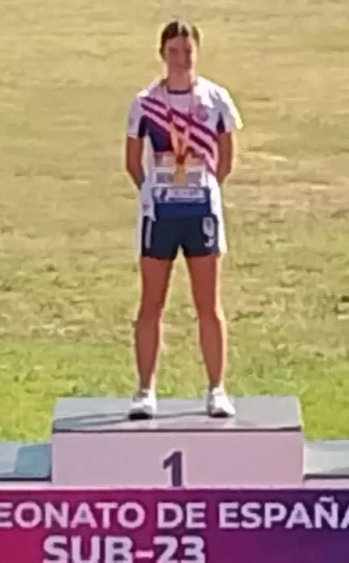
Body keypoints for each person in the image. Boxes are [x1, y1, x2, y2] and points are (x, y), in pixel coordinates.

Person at [123, 20, 243, 419]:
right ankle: (145, 390)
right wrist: (152, 191)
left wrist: (205, 187)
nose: (181, 59)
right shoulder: (145, 102)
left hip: (201, 212)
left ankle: (217, 389)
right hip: (160, 214)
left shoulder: (214, 98)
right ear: (162, 54)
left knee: (208, 303)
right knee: (151, 302)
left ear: (197, 52)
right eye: (173, 51)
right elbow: (131, 160)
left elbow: (227, 155)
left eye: (187, 51)